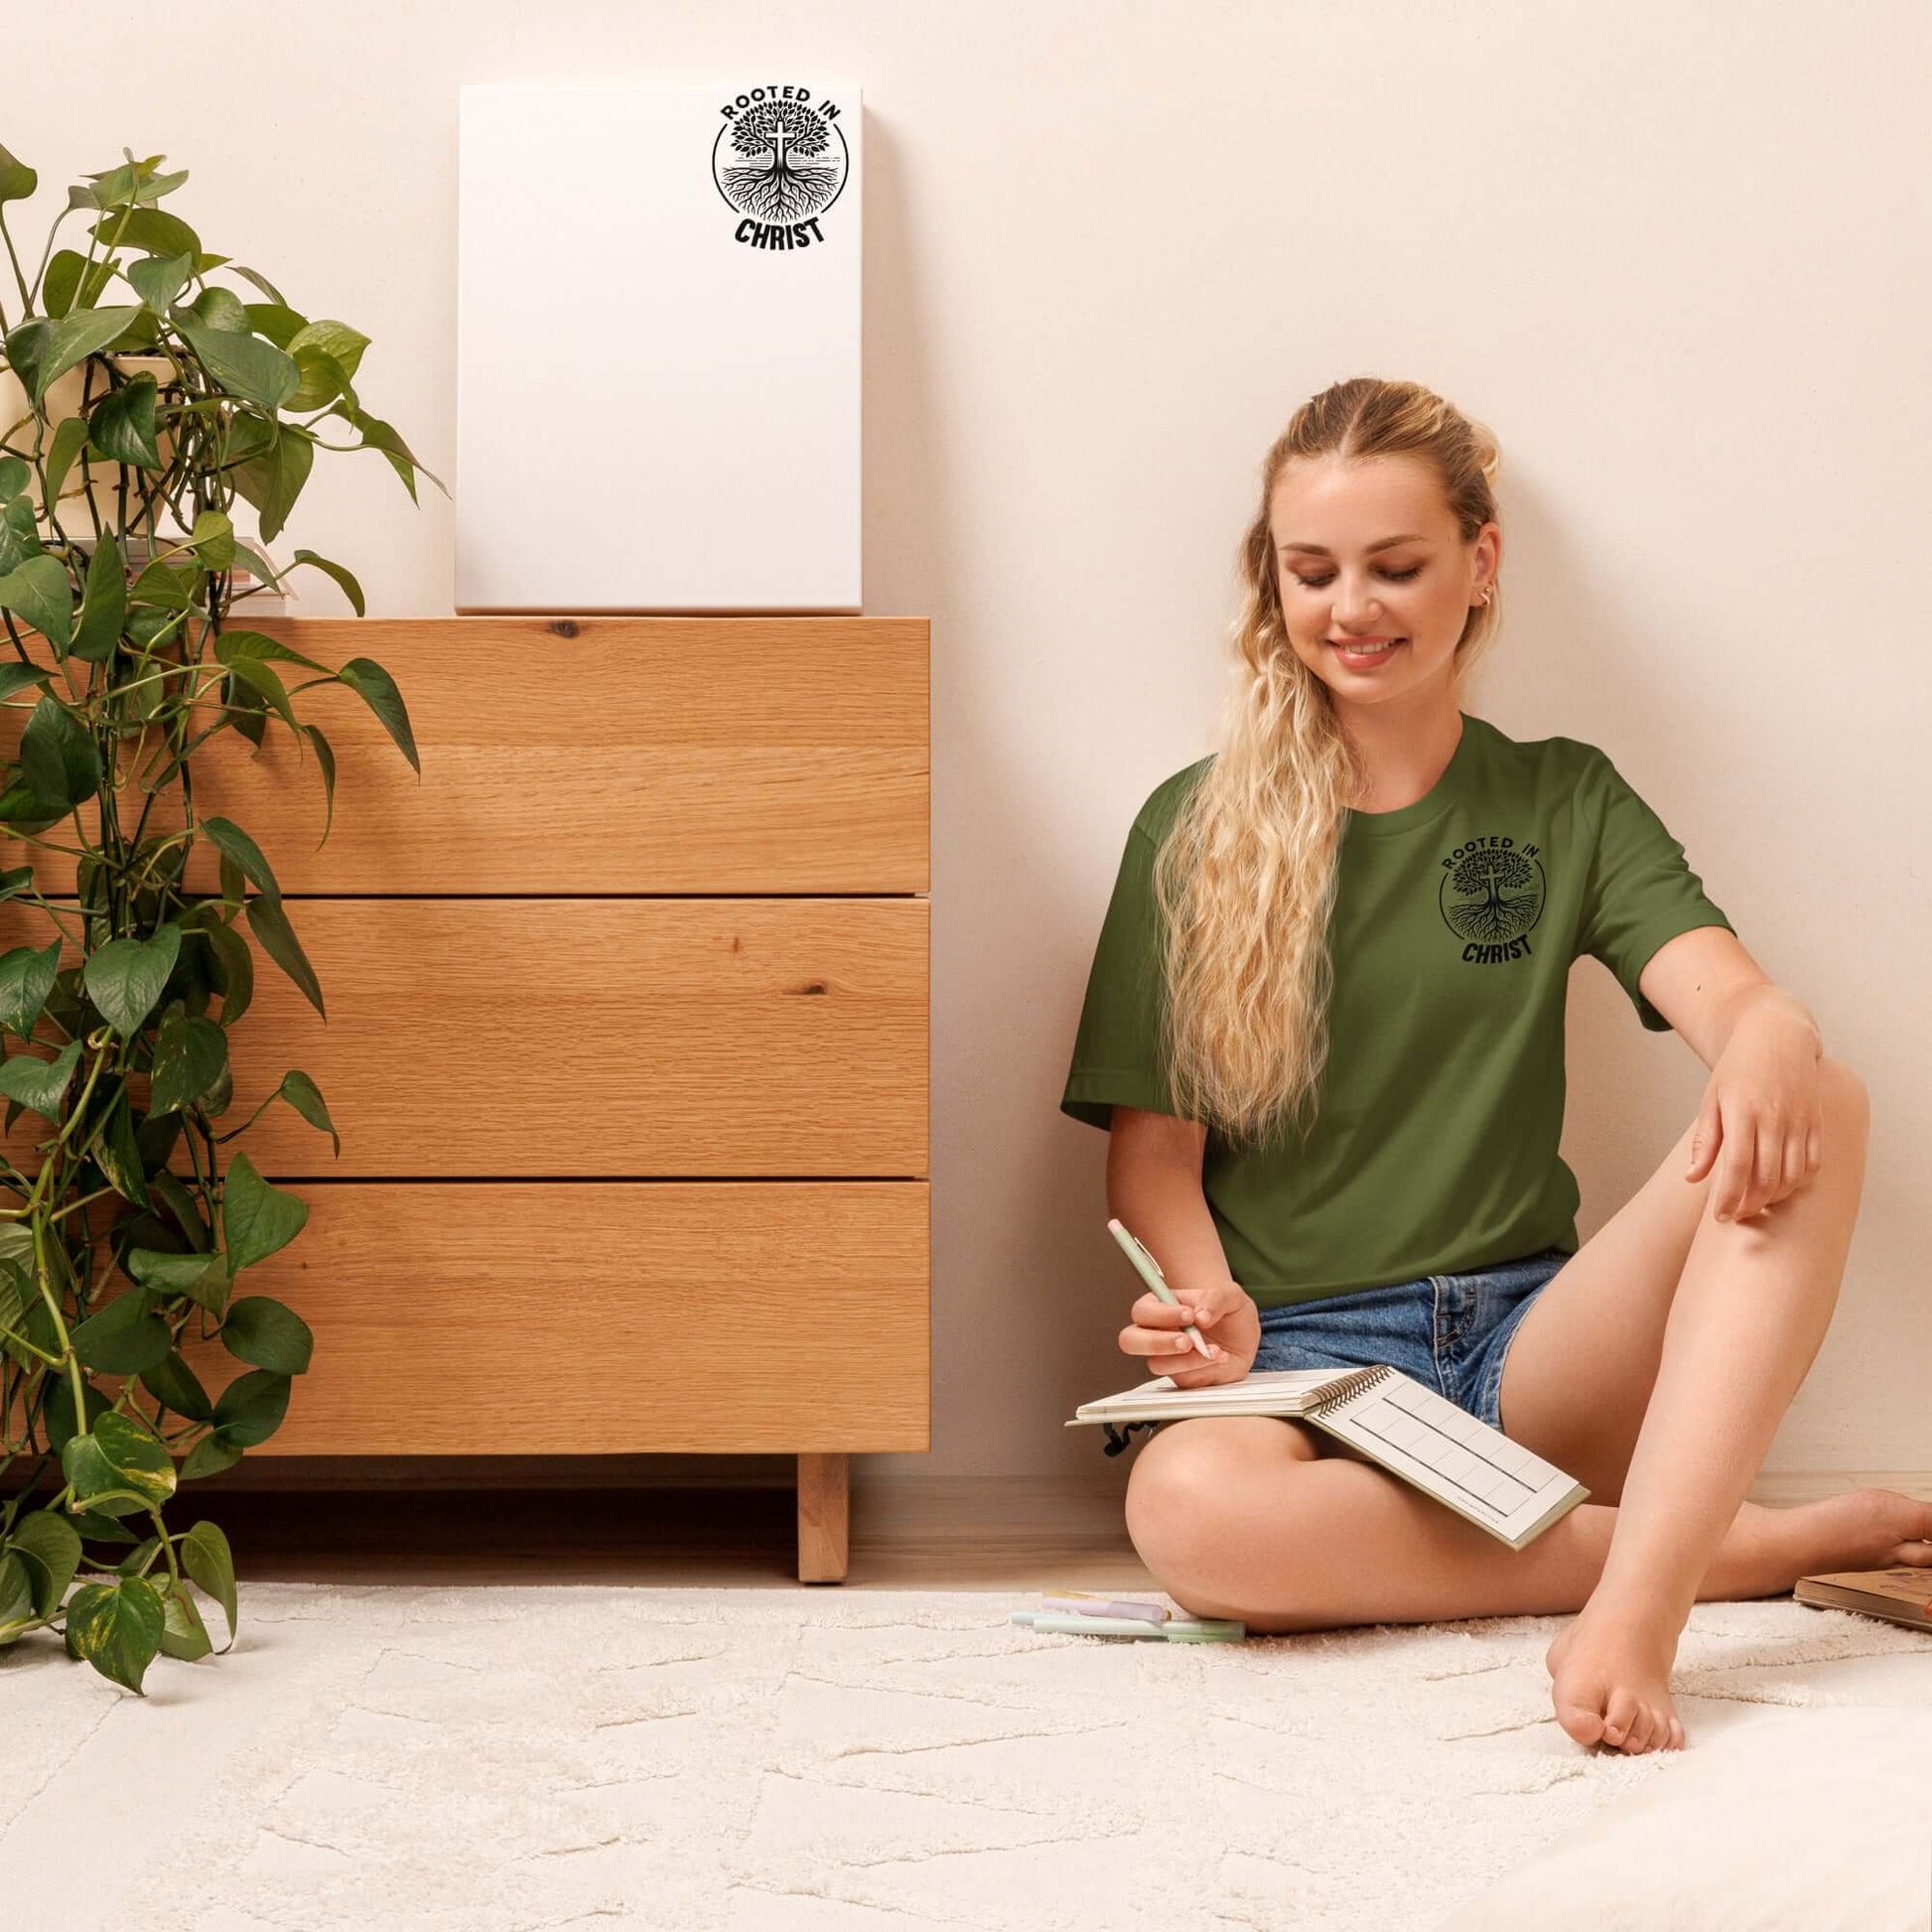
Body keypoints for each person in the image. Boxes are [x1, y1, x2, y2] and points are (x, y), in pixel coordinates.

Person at [1058, 375, 1924, 1757]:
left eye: (1396, 565)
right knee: (1186, 1515)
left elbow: (1731, 997)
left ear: (1479, 562)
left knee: (1819, 1093)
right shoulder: (1190, 826)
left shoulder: (1559, 796)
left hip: (1534, 1357)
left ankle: (1637, 1604)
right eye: (1313, 569)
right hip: (1304, 1378)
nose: (1354, 606)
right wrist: (1202, 1292)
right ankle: (1724, 1547)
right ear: (1269, 583)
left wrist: (1766, 1028)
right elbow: (1152, 1154)